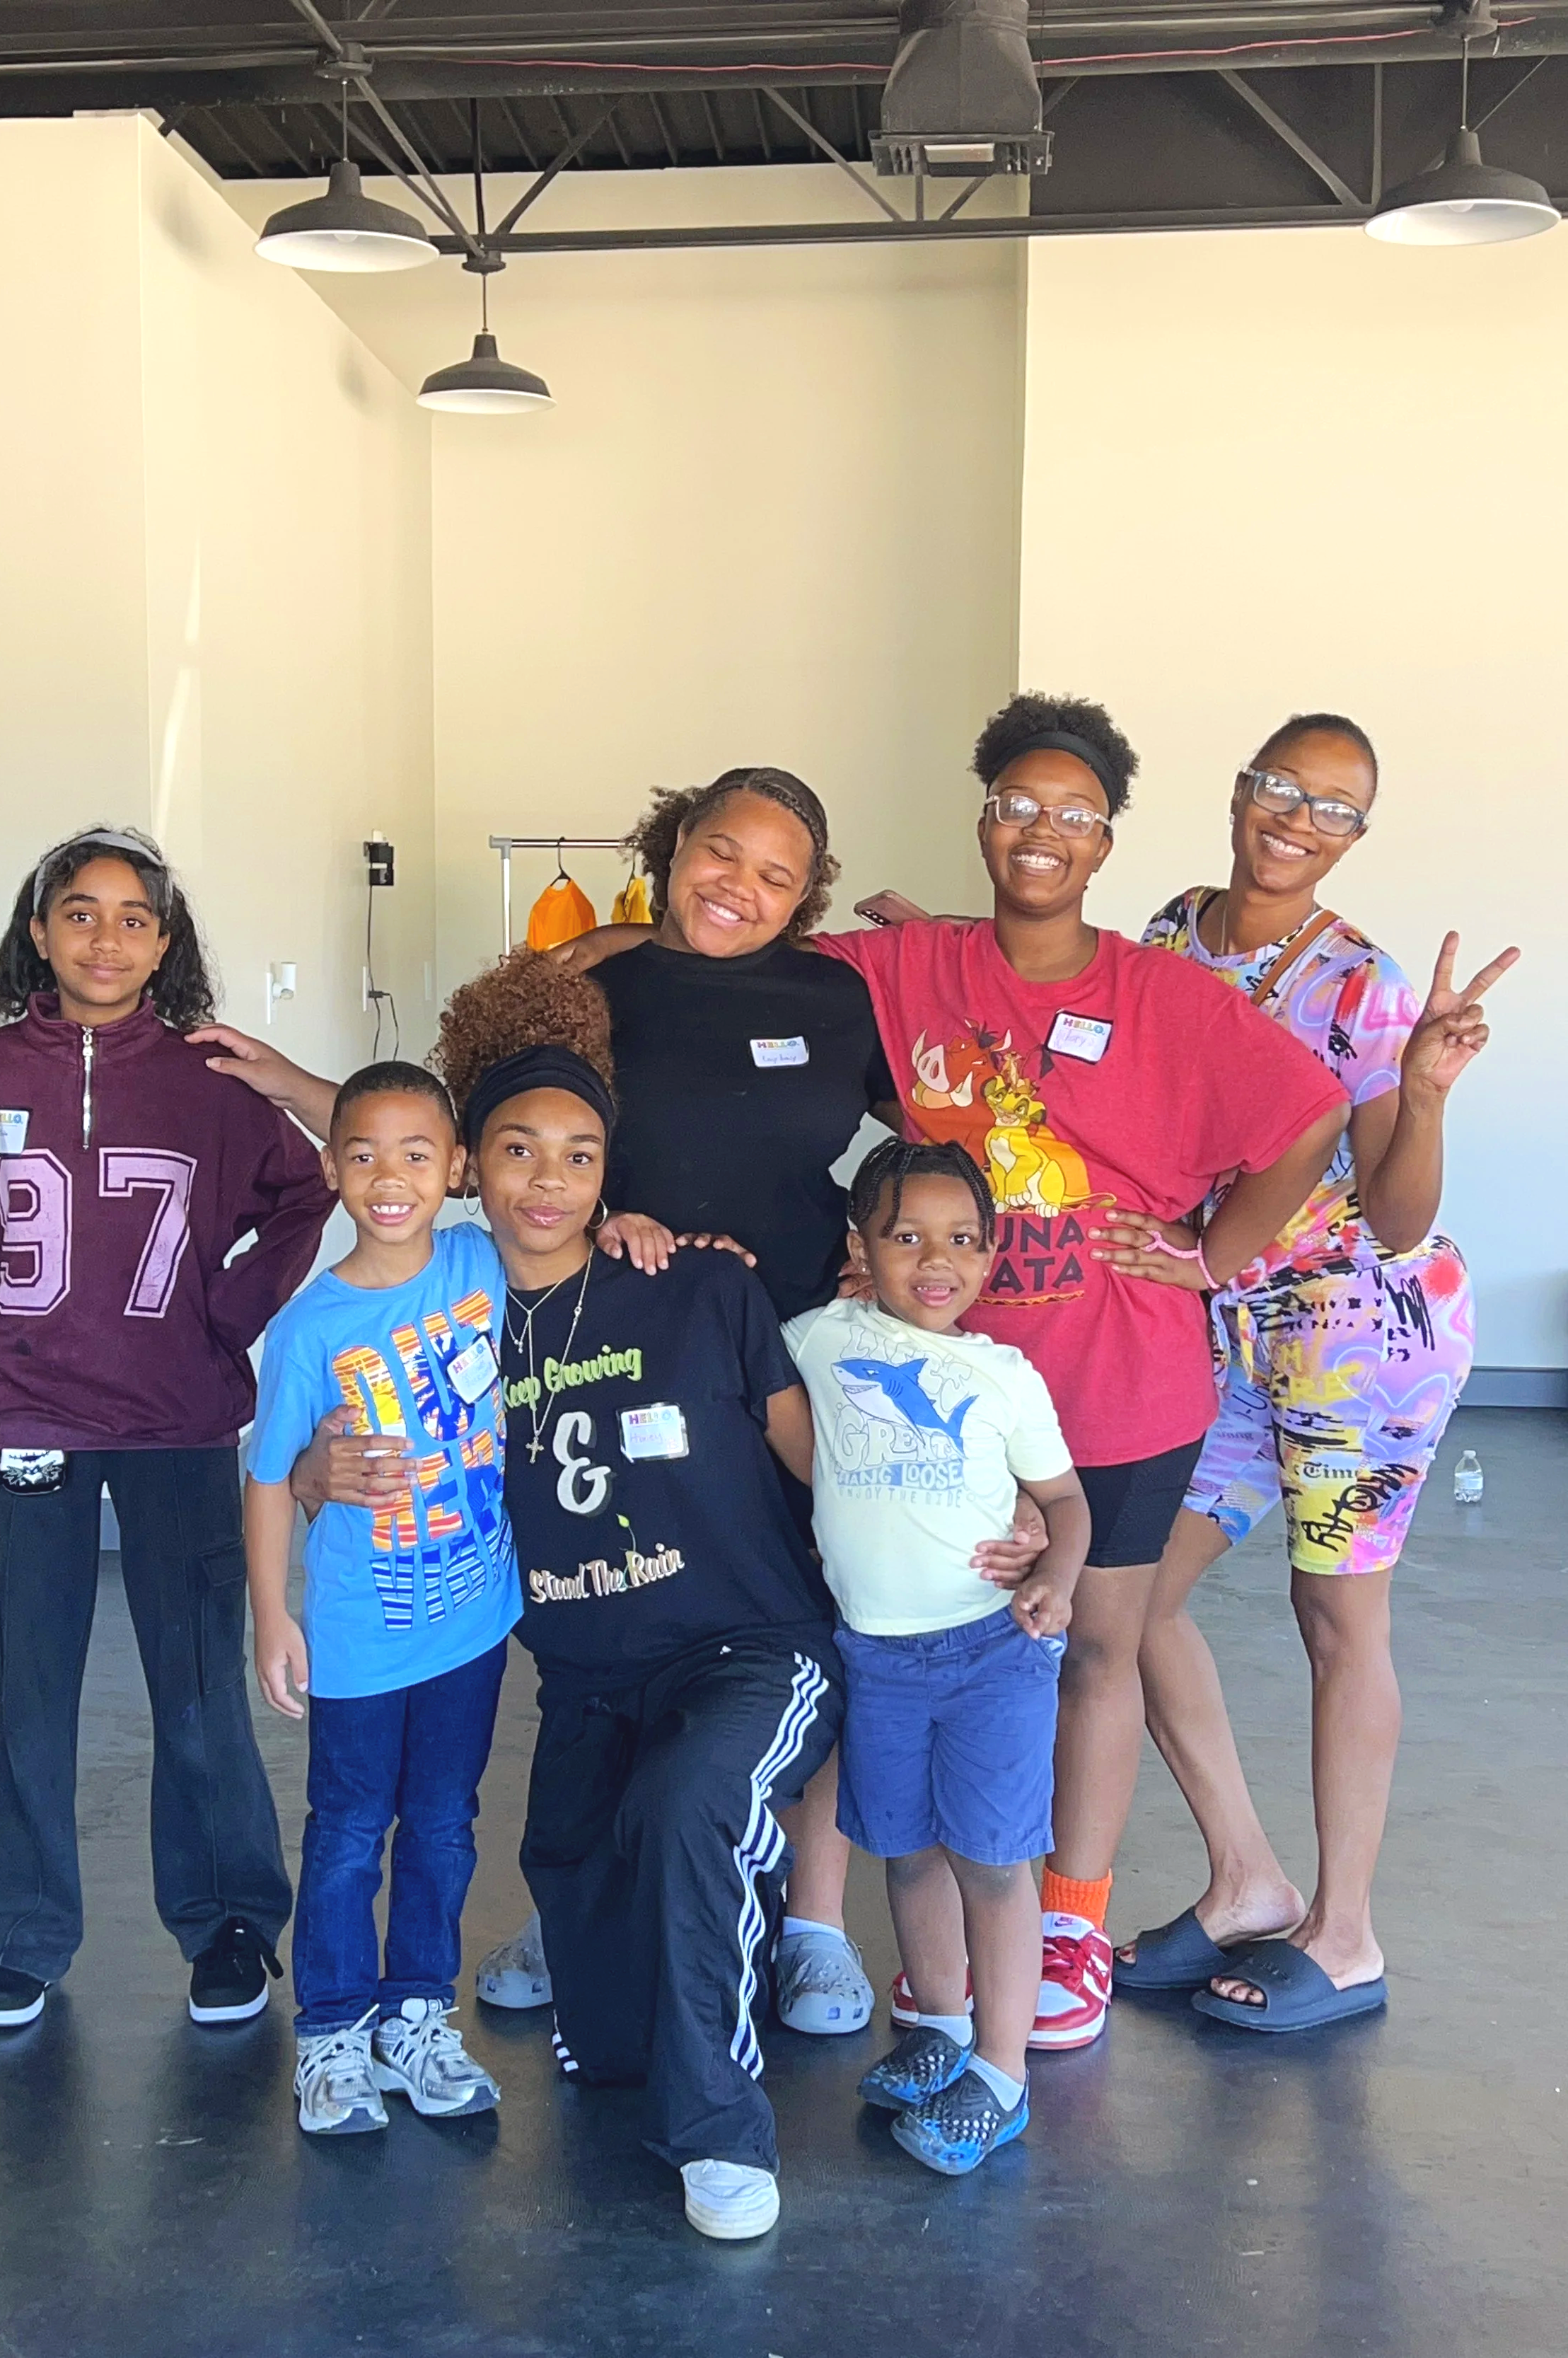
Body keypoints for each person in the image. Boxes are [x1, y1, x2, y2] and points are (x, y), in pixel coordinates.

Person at [190, 769, 991, 2039]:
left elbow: (929, 1143)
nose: (742, 887)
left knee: (808, 1615)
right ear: (673, 851)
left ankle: (816, 1922)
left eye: (779, 875)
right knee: (614, 1611)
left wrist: (893, 1253)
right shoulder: (597, 986)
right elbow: (459, 1135)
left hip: (780, 1334)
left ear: (810, 895)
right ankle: (589, 1901)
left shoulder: (838, 993)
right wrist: (303, 1088)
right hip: (608, 1326)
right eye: (720, 854)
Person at [813, 693, 1352, 2050]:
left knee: (1096, 1648)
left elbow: (1313, 1114)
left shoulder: (1163, 993)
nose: (1043, 832)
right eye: (1019, 806)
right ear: (983, 818)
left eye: (1075, 815)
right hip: (946, 1382)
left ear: (1106, 843)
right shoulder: (909, 964)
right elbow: (746, 968)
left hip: (1119, 1385)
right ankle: (942, 1916)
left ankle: (1067, 1917)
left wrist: (1215, 1252)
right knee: (932, 1635)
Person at [0, 826, 330, 2030]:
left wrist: (227, 1316)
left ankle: (225, 1926)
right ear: (40, 931)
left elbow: (307, 1189)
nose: (105, 937)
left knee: (201, 1685)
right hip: (30, 1417)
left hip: (182, 1421)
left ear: (167, 944)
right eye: (80, 912)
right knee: (30, 1686)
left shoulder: (209, 1081)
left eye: (134, 917)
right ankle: (18, 1936)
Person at [414, 952, 837, 2239]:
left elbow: (814, 1463)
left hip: (749, 1652)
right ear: (466, 1170)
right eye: (517, 1153)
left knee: (691, 1810)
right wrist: (321, 1463)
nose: (549, 1182)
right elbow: (357, 1435)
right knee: (596, 1993)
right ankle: (681, 1997)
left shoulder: (694, 1284)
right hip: (592, 1681)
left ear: (613, 1172)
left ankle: (725, 2134)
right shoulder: (450, 1319)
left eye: (581, 1156)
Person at [1112, 714, 1518, 2030]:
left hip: (1364, 1340)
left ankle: (1344, 1936)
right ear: (1239, 791)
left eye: (1334, 807)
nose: (1298, 819)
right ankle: (1245, 1878)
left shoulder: (1364, 985)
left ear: (1356, 835)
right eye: (1282, 788)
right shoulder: (1175, 928)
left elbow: (1395, 1220)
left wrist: (1425, 1089)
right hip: (1232, 1328)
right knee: (1131, 1600)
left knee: (1336, 1616)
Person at [780, 1138, 1089, 2175]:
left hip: (993, 1648)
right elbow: (738, 1368)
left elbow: (1067, 1504)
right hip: (875, 1657)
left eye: (962, 1240)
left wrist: (1056, 1574)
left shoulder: (1006, 1374)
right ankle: (944, 2030)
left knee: (993, 1863)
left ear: (992, 1254)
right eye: (905, 1236)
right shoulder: (819, 1341)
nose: (935, 1260)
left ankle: (1002, 2073)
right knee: (906, 1851)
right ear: (860, 1246)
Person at [246, 1060, 517, 2134]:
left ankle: (417, 2014)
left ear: (455, 1169)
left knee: (445, 1827)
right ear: (331, 1169)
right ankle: (331, 2033)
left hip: (475, 1626)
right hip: (363, 1637)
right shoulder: (309, 1330)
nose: (389, 1176)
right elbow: (271, 1478)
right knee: (352, 1832)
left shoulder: (482, 1262)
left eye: (416, 1154)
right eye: (362, 1154)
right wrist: (274, 1613)